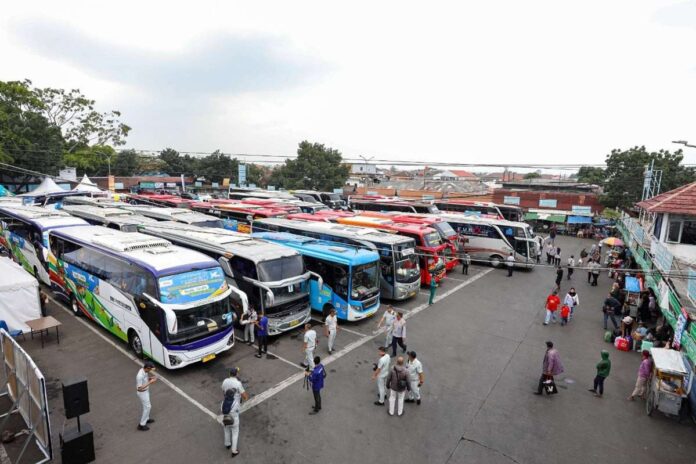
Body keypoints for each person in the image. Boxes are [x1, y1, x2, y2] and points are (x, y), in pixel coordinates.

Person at [221, 367, 248, 457]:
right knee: (235, 432)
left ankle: (227, 444)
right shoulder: (238, 383)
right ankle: (234, 451)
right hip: (234, 410)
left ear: (229, 373)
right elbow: (245, 397)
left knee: (226, 428)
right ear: (236, 374)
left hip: (226, 408)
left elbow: (223, 391)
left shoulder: (225, 381)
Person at [136, 361, 157, 431]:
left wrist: (150, 378)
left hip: (146, 391)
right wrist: (150, 382)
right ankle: (141, 425)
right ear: (147, 368)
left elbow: (144, 379)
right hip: (142, 393)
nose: (151, 371)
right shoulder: (139, 376)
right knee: (148, 407)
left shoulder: (144, 371)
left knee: (147, 407)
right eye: (150, 369)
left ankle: (146, 419)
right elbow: (139, 388)